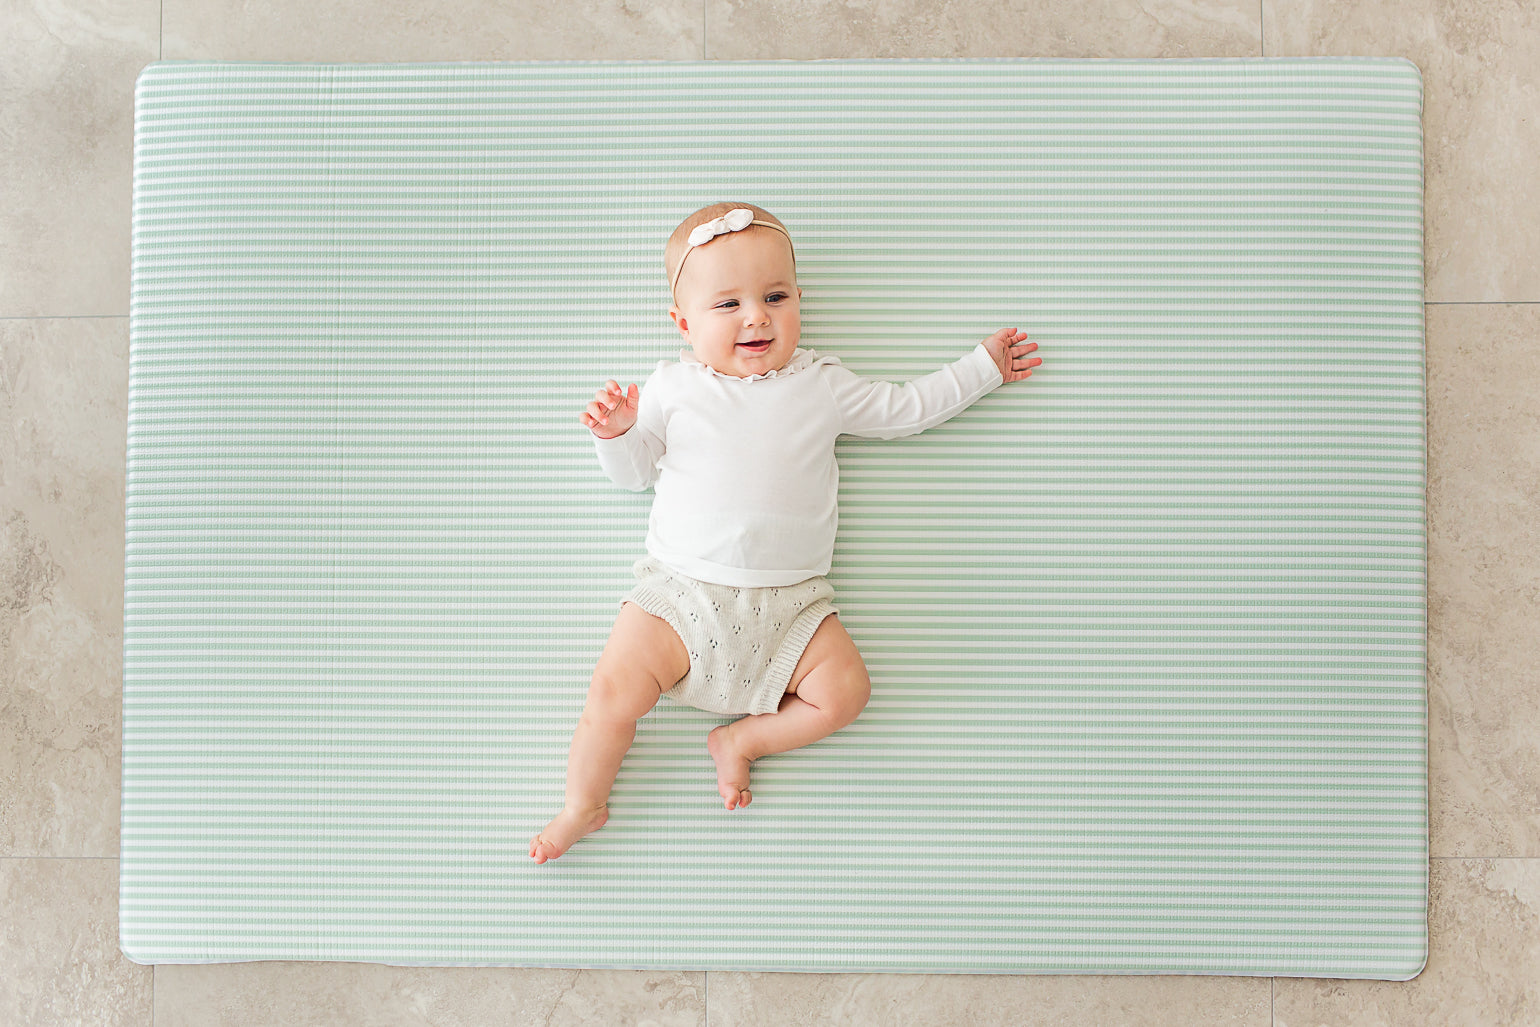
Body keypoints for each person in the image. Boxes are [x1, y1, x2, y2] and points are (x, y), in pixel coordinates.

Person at [530, 202, 1041, 863]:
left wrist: (983, 367)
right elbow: (633, 477)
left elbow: (907, 408)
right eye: (728, 304)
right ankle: (583, 802)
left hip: (789, 607)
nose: (756, 316)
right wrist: (619, 433)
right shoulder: (670, 387)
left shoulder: (822, 385)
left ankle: (744, 740)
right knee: (610, 693)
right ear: (683, 324)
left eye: (775, 296)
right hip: (679, 597)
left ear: (800, 300)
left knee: (847, 692)